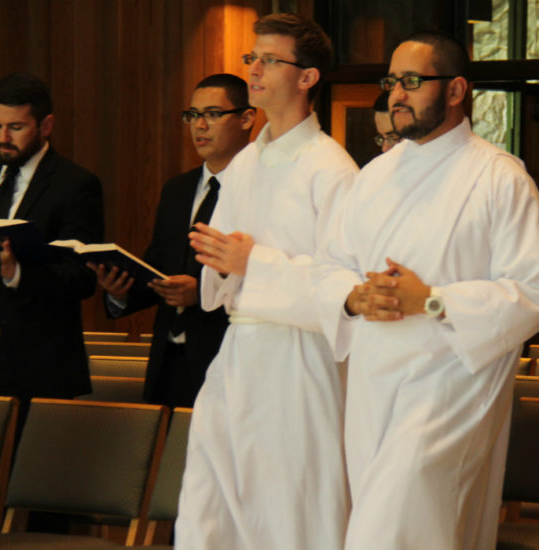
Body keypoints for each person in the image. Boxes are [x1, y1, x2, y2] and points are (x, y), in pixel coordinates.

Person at [312, 31, 539, 550]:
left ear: (456, 89)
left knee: (394, 524)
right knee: (388, 519)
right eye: (391, 81)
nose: (396, 94)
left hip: (454, 381)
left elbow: (531, 290)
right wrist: (352, 297)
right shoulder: (372, 176)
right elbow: (330, 267)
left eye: (411, 81)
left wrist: (433, 300)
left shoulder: (501, 177)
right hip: (373, 378)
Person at [175, 14, 358, 550]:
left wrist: (255, 263)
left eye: (269, 60)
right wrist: (221, 260)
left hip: (298, 360)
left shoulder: (333, 169)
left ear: (307, 78)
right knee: (211, 500)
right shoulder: (246, 162)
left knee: (288, 508)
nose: (254, 69)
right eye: (250, 58)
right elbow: (226, 269)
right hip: (239, 350)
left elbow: (342, 285)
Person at [91, 74, 255, 408]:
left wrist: (203, 291)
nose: (200, 126)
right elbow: (158, 266)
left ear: (247, 118)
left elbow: (268, 274)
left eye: (212, 114)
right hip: (168, 358)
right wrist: (122, 291)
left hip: (227, 357)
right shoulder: (177, 190)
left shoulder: (259, 190)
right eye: (193, 115)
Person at [0, 72, 104, 415]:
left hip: (38, 368)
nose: (3, 138)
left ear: (46, 125)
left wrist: (17, 274)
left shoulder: (75, 185)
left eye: (16, 127)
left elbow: (82, 279)